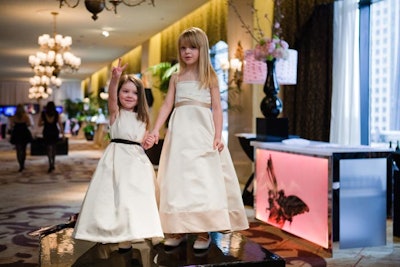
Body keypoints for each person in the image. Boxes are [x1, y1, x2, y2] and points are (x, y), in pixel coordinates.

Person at [150, 27, 249, 252]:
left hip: (202, 133)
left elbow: (217, 108)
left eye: (192, 47)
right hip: (179, 135)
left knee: (202, 179)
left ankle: (203, 230)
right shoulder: (176, 78)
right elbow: (167, 105)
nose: (187, 52)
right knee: (178, 178)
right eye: (183, 48)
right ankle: (178, 228)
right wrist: (156, 129)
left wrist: (217, 135)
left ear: (202, 50)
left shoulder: (210, 77)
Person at [73, 59, 164, 255]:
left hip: (137, 160)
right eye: (125, 91)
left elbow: (143, 141)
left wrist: (147, 142)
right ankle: (123, 235)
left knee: (140, 195)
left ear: (140, 97)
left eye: (134, 92)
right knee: (119, 196)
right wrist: (115, 79)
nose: (130, 95)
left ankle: (149, 229)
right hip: (117, 159)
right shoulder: (116, 113)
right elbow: (111, 99)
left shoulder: (143, 118)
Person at [38, 101, 64, 173]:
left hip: (47, 131)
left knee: (48, 148)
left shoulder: (43, 114)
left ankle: (50, 163)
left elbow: (39, 124)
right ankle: (53, 163)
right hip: (54, 131)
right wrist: (63, 134)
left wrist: (45, 122)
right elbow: (60, 124)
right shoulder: (56, 113)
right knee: (54, 148)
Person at [9, 104, 33, 172]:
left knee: (18, 150)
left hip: (16, 133)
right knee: (24, 149)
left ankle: (20, 165)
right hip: (24, 132)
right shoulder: (26, 116)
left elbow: (11, 125)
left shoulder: (13, 117)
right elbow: (29, 124)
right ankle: (23, 164)